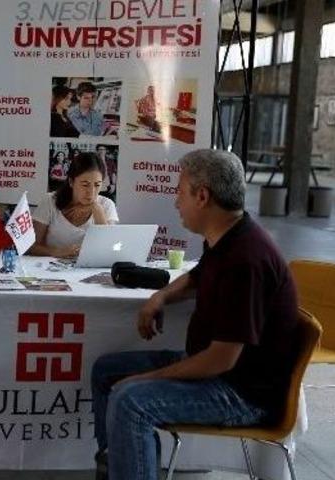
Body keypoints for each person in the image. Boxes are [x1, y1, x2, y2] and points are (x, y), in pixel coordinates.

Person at [90, 149, 300, 480]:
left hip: (241, 392)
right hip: (218, 370)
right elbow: (199, 276)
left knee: (130, 399)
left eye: (179, 191)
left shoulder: (247, 260)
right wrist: (161, 295)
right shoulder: (226, 235)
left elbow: (221, 360)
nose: (176, 202)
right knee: (107, 371)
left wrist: (144, 380)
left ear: (202, 196)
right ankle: (119, 465)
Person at [29, 152, 118, 258]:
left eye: (97, 185)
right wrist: (57, 252)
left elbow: (111, 248)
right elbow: (31, 247)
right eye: (85, 185)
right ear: (71, 182)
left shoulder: (107, 205)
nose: (91, 192)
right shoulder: (50, 201)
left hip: (89, 269)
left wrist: (97, 210)